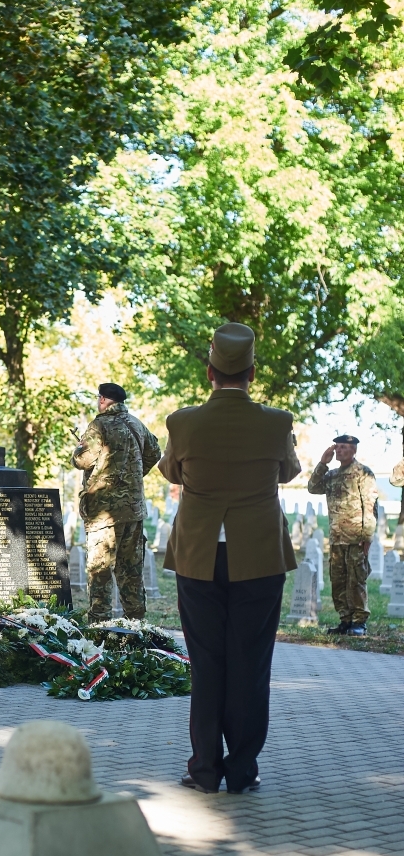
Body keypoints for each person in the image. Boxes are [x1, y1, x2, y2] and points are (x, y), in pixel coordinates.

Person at [158, 323, 300, 794]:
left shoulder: (183, 422)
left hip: (200, 556)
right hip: (259, 556)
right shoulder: (277, 422)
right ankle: (241, 770)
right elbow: (289, 470)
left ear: (209, 372)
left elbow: (170, 469)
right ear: (252, 373)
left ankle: (204, 770)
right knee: (251, 665)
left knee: (207, 665)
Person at [72, 382, 160, 622]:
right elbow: (155, 453)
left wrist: (78, 447)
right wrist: (132, 476)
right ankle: (137, 626)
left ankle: (99, 627)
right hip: (133, 511)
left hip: (104, 514)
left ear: (103, 400)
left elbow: (82, 461)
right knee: (131, 572)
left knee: (100, 572)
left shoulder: (99, 426)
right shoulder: (137, 425)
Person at [307, 435, 378, 636]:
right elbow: (313, 488)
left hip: (356, 537)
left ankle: (359, 622)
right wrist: (322, 463)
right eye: (337, 447)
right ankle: (345, 620)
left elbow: (370, 507)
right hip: (337, 538)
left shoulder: (363, 473)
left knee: (356, 580)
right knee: (338, 580)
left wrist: (367, 537)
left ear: (354, 450)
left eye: (344, 447)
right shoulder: (332, 475)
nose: (339, 450)